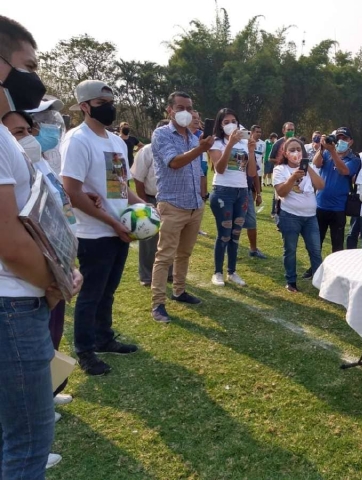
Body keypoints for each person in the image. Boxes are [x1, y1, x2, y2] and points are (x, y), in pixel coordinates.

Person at [0, 16, 85, 476]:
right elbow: (10, 244)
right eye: (27, 65)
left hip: (16, 301)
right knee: (27, 446)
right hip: (13, 306)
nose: (36, 77)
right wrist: (58, 285)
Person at [61, 80, 144, 376]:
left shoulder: (116, 141)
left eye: (110, 101)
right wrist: (113, 222)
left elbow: (122, 188)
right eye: (101, 103)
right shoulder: (77, 140)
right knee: (91, 294)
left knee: (108, 290)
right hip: (94, 233)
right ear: (85, 107)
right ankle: (85, 350)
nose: (109, 107)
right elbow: (71, 191)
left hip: (120, 230)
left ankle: (103, 337)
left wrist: (144, 209)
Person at [150, 93, 211, 323]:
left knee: (184, 253)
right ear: (170, 110)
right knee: (164, 256)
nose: (185, 111)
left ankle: (179, 290)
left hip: (195, 205)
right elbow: (174, 162)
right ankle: (157, 303)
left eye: (189, 107)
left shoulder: (195, 138)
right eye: (180, 107)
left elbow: (197, 170)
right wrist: (201, 148)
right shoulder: (161, 134)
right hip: (172, 204)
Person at [209, 108, 257, 287]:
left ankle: (232, 271)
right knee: (224, 234)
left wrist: (251, 151)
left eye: (233, 120)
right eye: (226, 121)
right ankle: (218, 272)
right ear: (220, 125)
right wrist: (229, 144)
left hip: (242, 192)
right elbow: (219, 169)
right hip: (223, 192)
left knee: (236, 234)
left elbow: (251, 172)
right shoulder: (217, 142)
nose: (231, 124)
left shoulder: (244, 143)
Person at [273, 138, 324, 292]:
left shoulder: (309, 168)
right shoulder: (280, 169)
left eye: (298, 149)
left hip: (310, 217)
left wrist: (308, 168)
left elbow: (321, 185)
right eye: (292, 150)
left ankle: (320, 282)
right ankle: (291, 281)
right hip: (290, 216)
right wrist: (293, 177)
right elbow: (281, 192)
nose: (296, 152)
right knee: (290, 249)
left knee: (315, 250)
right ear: (285, 153)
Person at [131, 120, 174, 287]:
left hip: (171, 199)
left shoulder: (176, 151)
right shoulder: (147, 151)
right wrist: (144, 203)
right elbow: (138, 178)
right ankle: (147, 275)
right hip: (150, 198)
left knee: (170, 238)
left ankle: (169, 272)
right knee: (149, 238)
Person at [313, 127, 361, 254]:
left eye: (344, 138)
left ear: (351, 141)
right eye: (338, 137)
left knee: (337, 244)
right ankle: (314, 268)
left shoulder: (354, 159)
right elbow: (316, 163)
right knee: (316, 241)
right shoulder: (327, 152)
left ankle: (335, 270)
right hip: (320, 204)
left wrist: (333, 151)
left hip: (338, 207)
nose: (341, 140)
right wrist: (322, 148)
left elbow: (344, 170)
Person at [244, 125, 267, 259]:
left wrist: (258, 194)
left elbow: (255, 175)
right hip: (232, 191)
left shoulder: (251, 153)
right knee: (230, 223)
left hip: (247, 190)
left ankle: (253, 249)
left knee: (251, 221)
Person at [269, 122, 297, 219]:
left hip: (292, 171)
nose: (290, 132)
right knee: (278, 194)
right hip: (280, 171)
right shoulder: (278, 143)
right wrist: (281, 160)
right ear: (283, 131)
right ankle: (276, 213)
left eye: (292, 130)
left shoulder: (296, 143)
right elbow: (270, 158)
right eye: (288, 130)